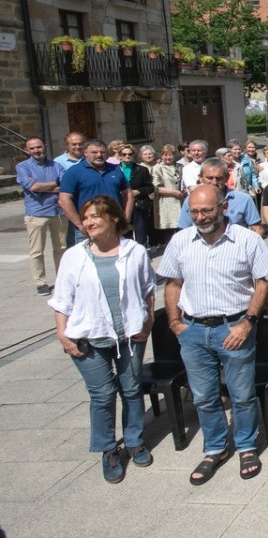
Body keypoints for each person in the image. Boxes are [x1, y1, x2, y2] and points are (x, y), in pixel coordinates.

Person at [159, 184, 268, 485]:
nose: (200, 216)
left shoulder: (247, 240)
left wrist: (248, 322)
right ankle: (215, 448)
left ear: (223, 208)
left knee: (242, 395)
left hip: (233, 327)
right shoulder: (181, 241)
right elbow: (172, 283)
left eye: (206, 210)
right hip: (193, 329)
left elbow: (264, 283)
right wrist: (174, 322)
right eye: (194, 211)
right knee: (204, 397)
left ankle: (247, 446)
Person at [50, 196, 156, 483]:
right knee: (102, 395)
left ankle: (134, 441)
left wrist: (148, 320)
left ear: (113, 219)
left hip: (130, 335)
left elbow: (148, 289)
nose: (89, 222)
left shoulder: (134, 251)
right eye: (86, 218)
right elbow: (62, 300)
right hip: (88, 337)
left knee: (131, 389)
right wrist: (62, 334)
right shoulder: (74, 256)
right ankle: (108, 449)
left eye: (96, 216)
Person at [59, 139, 132, 247]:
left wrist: (126, 218)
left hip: (113, 225)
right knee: (87, 261)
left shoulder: (115, 169)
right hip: (88, 227)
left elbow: (128, 194)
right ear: (85, 153)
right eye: (94, 152)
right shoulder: (74, 172)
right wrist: (79, 224)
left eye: (102, 152)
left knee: (117, 257)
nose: (99, 155)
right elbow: (63, 200)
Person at [17, 136, 66, 295]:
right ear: (27, 151)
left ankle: (62, 279)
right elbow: (33, 187)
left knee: (61, 248)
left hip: (57, 212)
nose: (36, 151)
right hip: (36, 214)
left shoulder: (56, 165)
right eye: (32, 148)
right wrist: (54, 184)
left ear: (45, 147)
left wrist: (41, 187)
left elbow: (65, 185)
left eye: (38, 147)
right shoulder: (22, 167)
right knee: (37, 251)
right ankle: (40, 282)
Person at [177, 160, 264, 235]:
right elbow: (184, 230)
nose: (214, 182)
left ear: (227, 178)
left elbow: (257, 229)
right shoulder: (191, 200)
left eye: (219, 178)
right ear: (200, 178)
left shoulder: (243, 199)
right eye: (209, 178)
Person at [118, 144, 154, 246]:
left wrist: (137, 191)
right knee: (124, 229)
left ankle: (141, 252)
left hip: (138, 204)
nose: (127, 156)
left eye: (130, 154)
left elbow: (149, 187)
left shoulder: (141, 169)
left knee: (141, 230)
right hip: (121, 204)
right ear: (120, 155)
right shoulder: (115, 170)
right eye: (124, 154)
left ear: (134, 155)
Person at [151, 145, 185, 246]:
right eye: (165, 155)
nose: (168, 157)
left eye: (170, 155)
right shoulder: (157, 168)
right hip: (167, 201)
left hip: (181, 201)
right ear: (161, 156)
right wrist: (174, 192)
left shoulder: (180, 166)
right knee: (169, 229)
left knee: (182, 227)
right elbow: (156, 187)